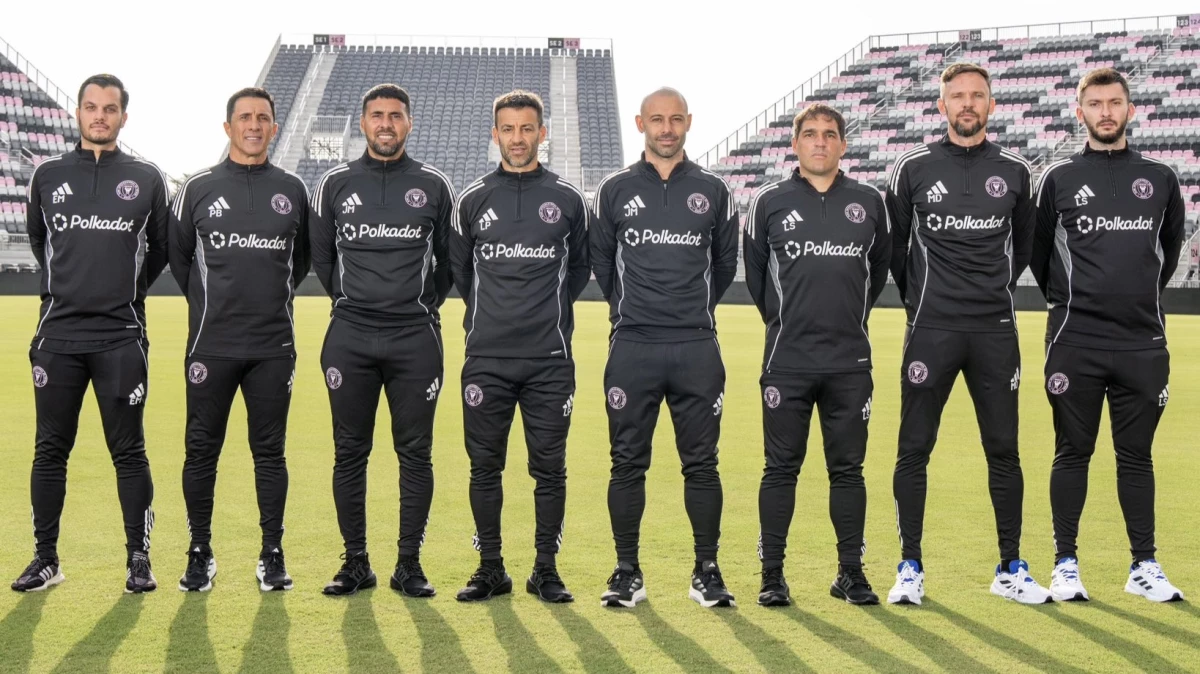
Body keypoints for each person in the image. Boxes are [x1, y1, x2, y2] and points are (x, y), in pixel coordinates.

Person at [886, 63, 1048, 605]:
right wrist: (926, 303)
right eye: (957, 96)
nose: (967, 104)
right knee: (914, 448)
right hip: (930, 328)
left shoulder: (1017, 170)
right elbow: (897, 251)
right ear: (941, 105)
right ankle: (910, 565)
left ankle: (1010, 567)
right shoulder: (912, 168)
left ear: (992, 104)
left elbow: (1023, 249)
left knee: (1004, 449)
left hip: (995, 331)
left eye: (977, 95)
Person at [1032, 67, 1185, 603]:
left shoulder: (1161, 178)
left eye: (1114, 102)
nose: (1105, 112)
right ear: (1079, 112)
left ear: (1130, 109)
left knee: (1136, 455)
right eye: (1094, 103)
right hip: (1075, 340)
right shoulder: (1058, 179)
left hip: (1143, 342)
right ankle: (1065, 563)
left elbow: (1165, 251)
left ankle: (1143, 564)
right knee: (1072, 451)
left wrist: (1137, 296)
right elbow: (1039, 254)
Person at [14, 74, 170, 594]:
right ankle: (45, 559)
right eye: (90, 107)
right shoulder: (47, 176)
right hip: (58, 336)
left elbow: (163, 250)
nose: (99, 116)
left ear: (124, 117)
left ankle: (138, 559)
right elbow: (41, 243)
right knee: (49, 450)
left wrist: (128, 292)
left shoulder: (147, 178)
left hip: (121, 336)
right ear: (78, 114)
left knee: (129, 451)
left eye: (109, 108)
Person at [590, 87, 739, 608]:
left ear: (689, 123)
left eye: (676, 119)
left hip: (696, 345)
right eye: (657, 119)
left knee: (702, 463)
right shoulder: (613, 190)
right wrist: (638, 314)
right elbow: (602, 267)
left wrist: (686, 312)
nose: (667, 128)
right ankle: (627, 571)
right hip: (633, 345)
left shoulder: (715, 191)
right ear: (641, 124)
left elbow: (724, 268)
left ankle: (707, 571)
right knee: (627, 463)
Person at [743, 103, 891, 607]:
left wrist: (844, 318)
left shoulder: (869, 201)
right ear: (795, 144)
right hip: (787, 360)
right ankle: (772, 575)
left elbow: (879, 274)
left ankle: (851, 572)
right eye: (810, 134)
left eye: (830, 134)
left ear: (844, 144)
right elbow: (759, 281)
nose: (821, 142)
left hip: (850, 362)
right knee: (780, 469)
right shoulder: (769, 201)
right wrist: (791, 323)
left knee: (848, 471)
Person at [311, 84, 454, 597]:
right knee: (349, 453)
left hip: (415, 339)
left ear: (409, 123)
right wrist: (357, 303)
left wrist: (415, 305)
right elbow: (323, 261)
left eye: (396, 116)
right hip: (349, 336)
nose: (386, 124)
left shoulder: (434, 186)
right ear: (364, 123)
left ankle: (408, 565)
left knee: (416, 454)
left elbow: (448, 266)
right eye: (377, 116)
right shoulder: (334, 184)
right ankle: (355, 563)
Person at [449, 90, 590, 603]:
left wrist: (542, 312)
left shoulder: (569, 200)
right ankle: (490, 568)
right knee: (485, 467)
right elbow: (460, 273)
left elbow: (578, 270)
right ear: (495, 135)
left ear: (541, 133)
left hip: (550, 360)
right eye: (507, 129)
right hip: (486, 359)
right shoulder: (472, 199)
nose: (517, 138)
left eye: (527, 128)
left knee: (549, 468)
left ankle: (545, 570)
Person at [168, 87, 311, 592]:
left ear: (274, 127)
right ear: (227, 127)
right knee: (201, 451)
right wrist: (215, 307)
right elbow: (181, 259)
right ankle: (199, 551)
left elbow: (301, 263)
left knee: (270, 453)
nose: (254, 125)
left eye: (264, 118)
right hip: (211, 346)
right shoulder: (198, 188)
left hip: (273, 347)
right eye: (245, 117)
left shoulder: (293, 189)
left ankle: (272, 553)